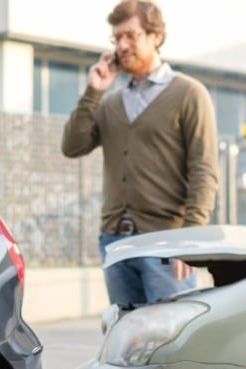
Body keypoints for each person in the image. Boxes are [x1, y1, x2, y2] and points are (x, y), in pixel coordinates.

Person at [61, 0, 219, 306]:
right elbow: (72, 145)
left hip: (167, 241)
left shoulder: (189, 94)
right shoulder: (110, 103)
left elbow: (204, 170)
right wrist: (95, 90)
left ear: (155, 36)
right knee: (127, 340)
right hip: (114, 241)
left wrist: (190, 238)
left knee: (172, 338)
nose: (122, 45)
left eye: (131, 36)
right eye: (116, 38)